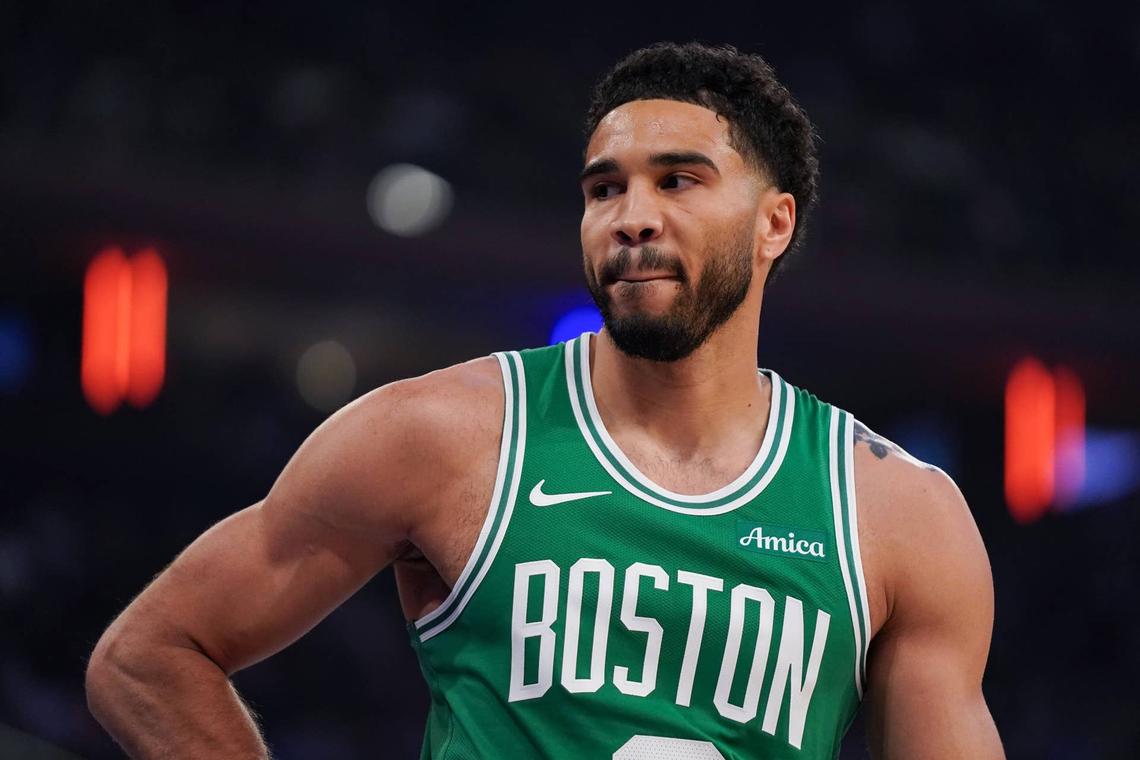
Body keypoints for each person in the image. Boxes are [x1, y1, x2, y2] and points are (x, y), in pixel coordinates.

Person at [86, 42, 1003, 759]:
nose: (629, 216)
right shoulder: (442, 435)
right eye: (605, 188)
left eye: (677, 180)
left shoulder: (896, 514)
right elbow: (148, 656)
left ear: (775, 222)